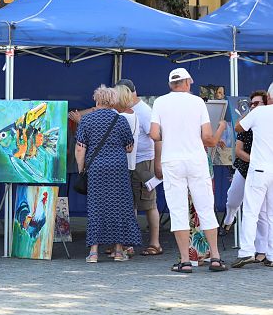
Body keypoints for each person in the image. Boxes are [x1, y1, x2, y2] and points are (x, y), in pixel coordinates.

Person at [150, 68, 227, 273]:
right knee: (205, 208)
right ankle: (216, 257)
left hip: (172, 160)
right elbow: (209, 139)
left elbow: (154, 134)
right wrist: (221, 127)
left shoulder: (159, 102)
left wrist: (171, 135)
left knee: (178, 210)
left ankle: (185, 260)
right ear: (186, 83)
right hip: (196, 160)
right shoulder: (197, 102)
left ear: (170, 85)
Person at [75, 85, 142, 263]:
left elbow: (80, 148)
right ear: (112, 101)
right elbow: (129, 146)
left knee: (97, 207)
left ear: (97, 100)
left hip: (96, 169)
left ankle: (94, 252)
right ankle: (119, 251)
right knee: (118, 206)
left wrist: (81, 169)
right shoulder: (120, 120)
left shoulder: (87, 120)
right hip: (118, 169)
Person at [116, 79, 163, 256]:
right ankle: (129, 243)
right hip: (128, 162)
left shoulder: (144, 112)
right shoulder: (126, 110)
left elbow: (158, 138)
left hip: (144, 162)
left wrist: (157, 163)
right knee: (130, 204)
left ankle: (155, 243)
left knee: (149, 203)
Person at [221, 90, 269, 263]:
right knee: (234, 199)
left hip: (260, 169)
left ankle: (258, 251)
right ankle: (229, 218)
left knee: (259, 212)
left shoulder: (264, 119)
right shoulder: (250, 122)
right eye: (252, 104)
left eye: (258, 103)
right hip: (247, 167)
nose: (254, 106)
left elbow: (238, 127)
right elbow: (239, 150)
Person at [232, 82, 273, 268]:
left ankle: (247, 251)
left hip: (259, 169)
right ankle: (271, 255)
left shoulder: (259, 112)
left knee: (250, 212)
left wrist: (250, 111)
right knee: (271, 214)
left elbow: (238, 127)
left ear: (269, 97)